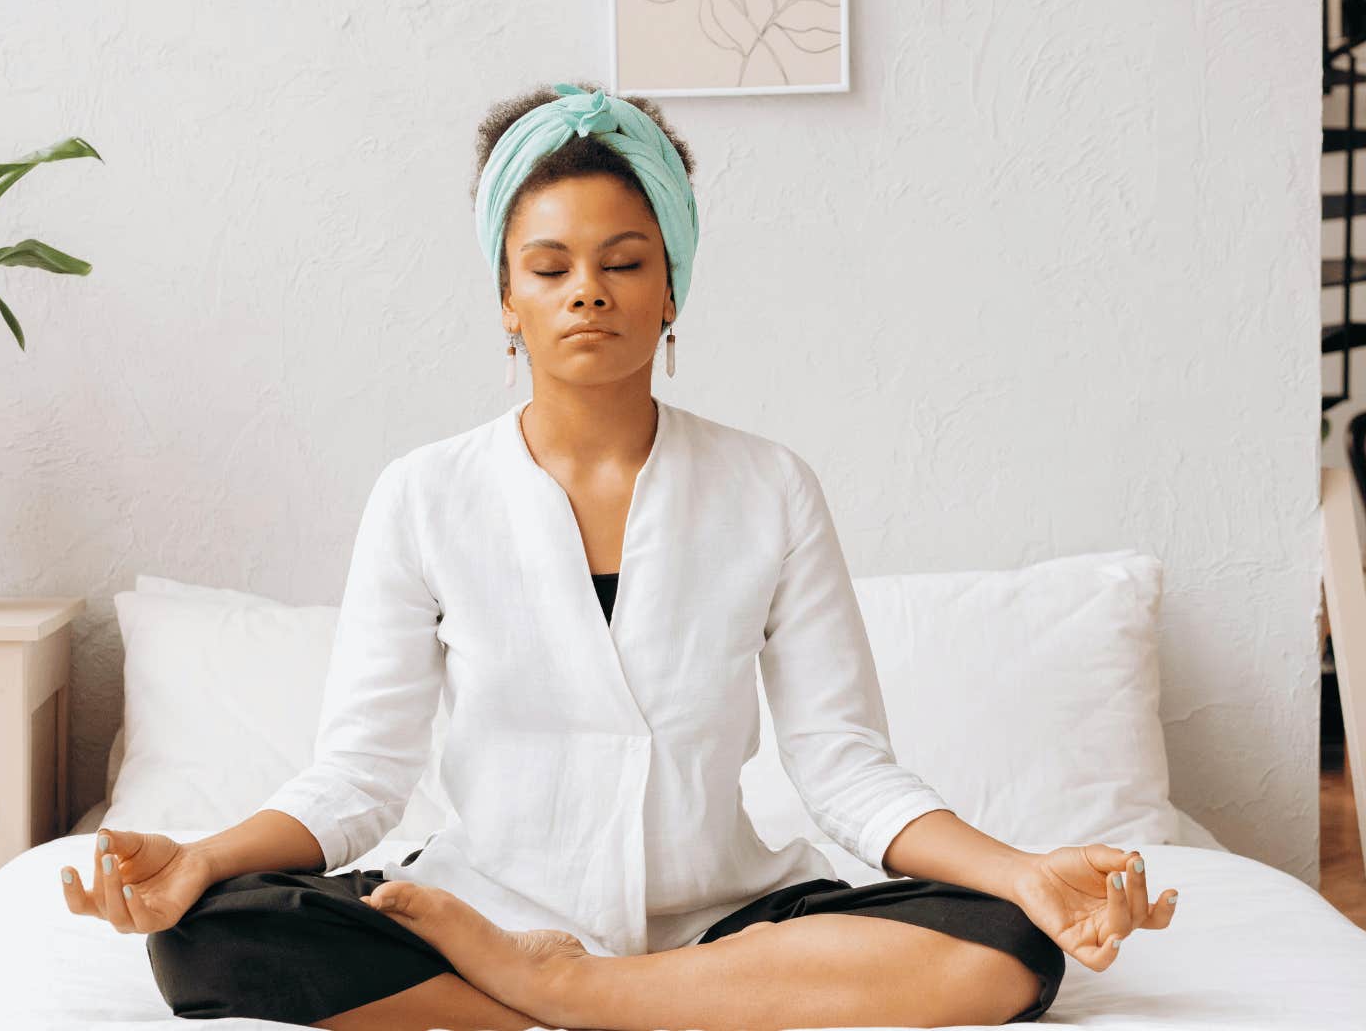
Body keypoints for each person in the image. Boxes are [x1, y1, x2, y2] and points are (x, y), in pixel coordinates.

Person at [60, 81, 1181, 1030]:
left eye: (624, 261)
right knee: (210, 942)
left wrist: (1021, 872)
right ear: (506, 298)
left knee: (1006, 948)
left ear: (672, 287)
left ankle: (581, 996)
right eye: (547, 267)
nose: (586, 289)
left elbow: (842, 767)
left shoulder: (770, 487)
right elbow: (360, 776)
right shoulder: (425, 495)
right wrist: (204, 857)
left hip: (720, 919)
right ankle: (633, 999)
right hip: (477, 907)